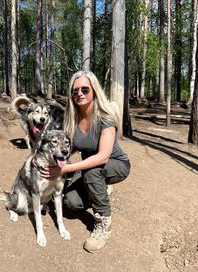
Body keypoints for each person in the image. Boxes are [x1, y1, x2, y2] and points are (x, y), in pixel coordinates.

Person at [40, 70, 131, 253]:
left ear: (94, 91)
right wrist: (49, 161)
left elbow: (103, 157)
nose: (79, 94)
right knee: (71, 203)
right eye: (75, 91)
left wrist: (65, 170)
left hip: (115, 164)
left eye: (84, 89)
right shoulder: (72, 118)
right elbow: (69, 148)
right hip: (91, 166)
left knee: (92, 171)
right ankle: (100, 189)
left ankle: (103, 223)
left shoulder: (106, 117)